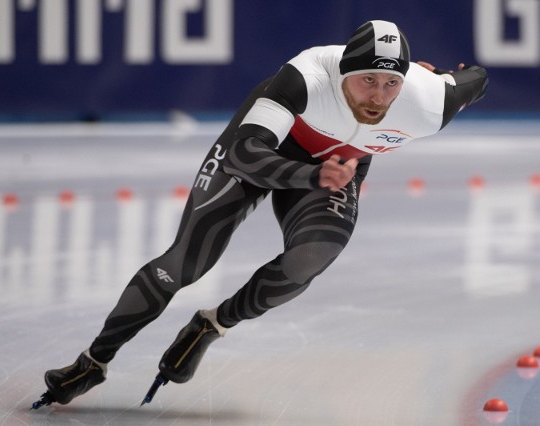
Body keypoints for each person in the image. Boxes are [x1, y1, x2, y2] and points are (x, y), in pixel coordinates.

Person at [32, 19, 488, 408]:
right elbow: (243, 155)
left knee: (311, 258)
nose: (378, 97)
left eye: (391, 84)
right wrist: (314, 176)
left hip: (334, 169)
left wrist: (445, 74)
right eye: (367, 80)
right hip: (263, 151)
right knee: (186, 263)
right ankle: (91, 363)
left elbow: (475, 79)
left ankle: (212, 325)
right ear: (342, 73)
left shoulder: (430, 101)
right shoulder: (304, 76)